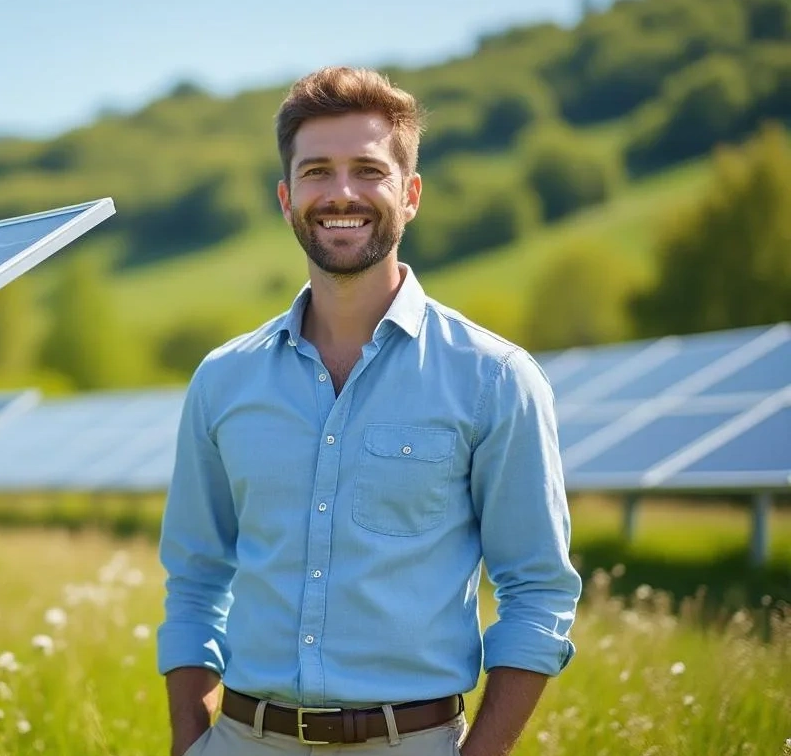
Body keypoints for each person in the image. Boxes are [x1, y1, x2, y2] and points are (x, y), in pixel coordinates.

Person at [156, 65, 583, 756]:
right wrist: (190, 740)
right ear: (286, 195)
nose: (342, 193)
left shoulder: (495, 379)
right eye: (317, 171)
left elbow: (537, 589)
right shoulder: (222, 380)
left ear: (410, 194)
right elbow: (196, 576)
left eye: (368, 169)